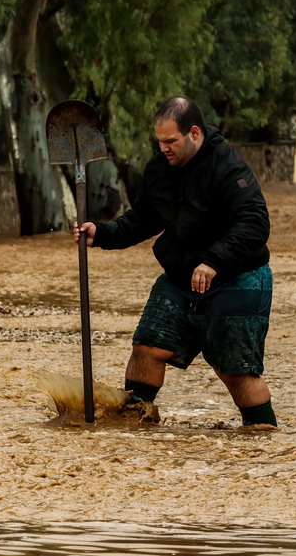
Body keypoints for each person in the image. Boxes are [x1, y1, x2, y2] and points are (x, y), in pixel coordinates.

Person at [73, 96, 277, 427]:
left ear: (194, 133)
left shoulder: (228, 167)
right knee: (146, 348)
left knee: (235, 371)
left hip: (237, 279)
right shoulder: (158, 169)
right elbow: (142, 219)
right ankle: (134, 426)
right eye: (159, 141)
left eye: (171, 141)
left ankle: (261, 440)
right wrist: (103, 234)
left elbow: (255, 223)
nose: (164, 148)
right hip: (180, 278)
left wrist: (213, 261)